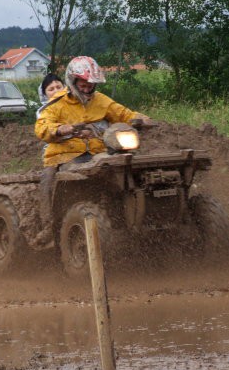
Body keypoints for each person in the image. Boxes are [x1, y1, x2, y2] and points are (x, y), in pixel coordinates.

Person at [34, 56, 150, 245]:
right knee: (48, 180)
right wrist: (59, 129)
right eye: (84, 83)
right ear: (72, 81)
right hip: (65, 156)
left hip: (98, 154)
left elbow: (123, 114)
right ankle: (48, 226)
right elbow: (41, 127)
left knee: (127, 165)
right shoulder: (57, 103)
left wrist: (143, 119)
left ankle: (129, 210)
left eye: (91, 84)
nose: (88, 87)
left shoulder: (101, 100)